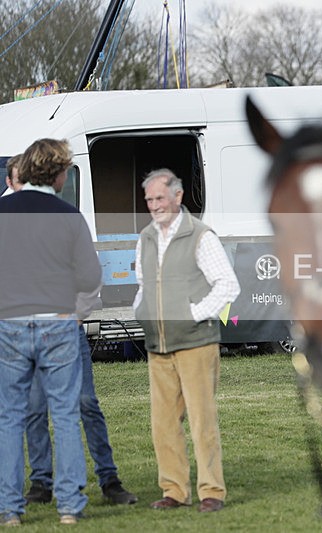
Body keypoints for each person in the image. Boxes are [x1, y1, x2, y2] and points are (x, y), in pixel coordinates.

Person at [0, 139, 102, 526]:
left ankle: (9, 508)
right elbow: (91, 277)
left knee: (9, 418)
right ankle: (69, 507)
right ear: (59, 174)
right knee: (64, 416)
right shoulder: (69, 215)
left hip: (9, 322)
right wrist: (77, 314)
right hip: (57, 323)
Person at [133, 168, 240, 513]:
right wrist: (143, 312)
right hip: (158, 347)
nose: (153, 205)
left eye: (159, 198)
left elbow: (228, 286)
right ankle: (174, 490)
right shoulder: (146, 238)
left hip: (196, 344)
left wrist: (193, 313)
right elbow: (142, 285)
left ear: (177, 197)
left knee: (201, 421)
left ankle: (212, 492)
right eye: (149, 199)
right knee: (163, 424)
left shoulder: (200, 236)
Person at [24, 285, 138, 506]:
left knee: (86, 403)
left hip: (68, 332)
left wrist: (76, 315)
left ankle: (109, 480)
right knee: (35, 409)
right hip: (31, 334)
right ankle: (40, 484)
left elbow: (90, 278)